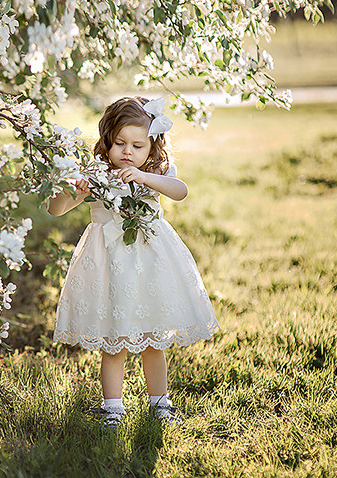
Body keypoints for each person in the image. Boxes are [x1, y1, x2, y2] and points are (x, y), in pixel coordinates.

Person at [47, 96, 219, 428]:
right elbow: (55, 210)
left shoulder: (155, 172)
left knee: (153, 338)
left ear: (152, 147)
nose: (128, 152)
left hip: (150, 265)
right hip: (108, 265)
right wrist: (78, 190)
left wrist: (142, 178)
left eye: (138, 145)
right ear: (107, 142)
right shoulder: (97, 175)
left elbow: (180, 191)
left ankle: (161, 404)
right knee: (114, 341)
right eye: (120, 143)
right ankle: (112, 408)